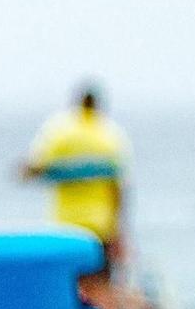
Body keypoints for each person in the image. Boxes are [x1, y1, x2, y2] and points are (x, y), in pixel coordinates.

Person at [22, 85, 130, 269]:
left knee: (69, 282)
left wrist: (64, 171)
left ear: (77, 104)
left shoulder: (60, 134)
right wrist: (118, 231)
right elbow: (118, 189)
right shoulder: (110, 137)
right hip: (100, 226)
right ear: (98, 106)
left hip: (65, 226)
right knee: (98, 285)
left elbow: (30, 171)